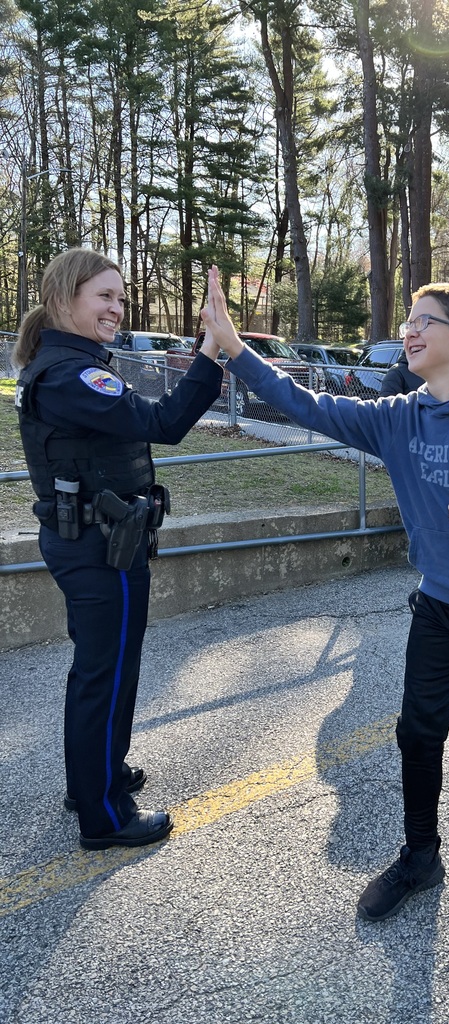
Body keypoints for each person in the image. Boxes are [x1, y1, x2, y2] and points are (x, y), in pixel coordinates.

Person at [201, 266, 449, 922]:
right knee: (417, 731)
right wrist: (235, 347)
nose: (409, 330)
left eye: (425, 320)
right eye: (408, 320)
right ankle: (421, 855)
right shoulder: (398, 417)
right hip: (438, 603)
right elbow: (307, 404)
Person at [13, 248, 224, 850]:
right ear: (64, 299)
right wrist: (210, 348)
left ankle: (94, 779)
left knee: (102, 670)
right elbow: (164, 422)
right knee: (105, 676)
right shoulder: (72, 373)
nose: (117, 307)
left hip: (97, 540)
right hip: (101, 548)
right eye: (104, 295)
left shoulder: (68, 365)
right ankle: (104, 816)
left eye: (121, 296)